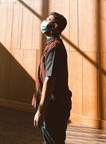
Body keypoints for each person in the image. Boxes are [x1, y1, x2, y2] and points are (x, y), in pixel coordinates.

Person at [32, 12, 72, 144]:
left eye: (47, 20)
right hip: (53, 107)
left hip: (54, 108)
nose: (43, 22)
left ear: (54, 26)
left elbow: (50, 80)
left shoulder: (54, 47)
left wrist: (41, 110)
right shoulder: (51, 46)